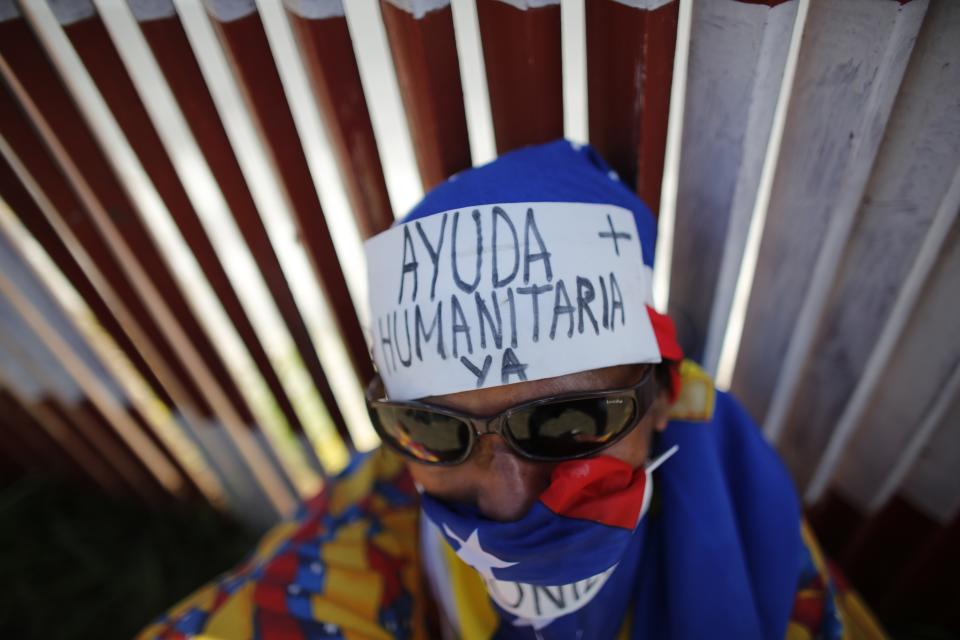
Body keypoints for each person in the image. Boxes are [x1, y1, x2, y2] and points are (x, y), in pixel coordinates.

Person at [139, 141, 884, 639]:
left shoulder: (748, 521)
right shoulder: (357, 540)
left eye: (564, 420)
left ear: (662, 397)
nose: (506, 498)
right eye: (437, 429)